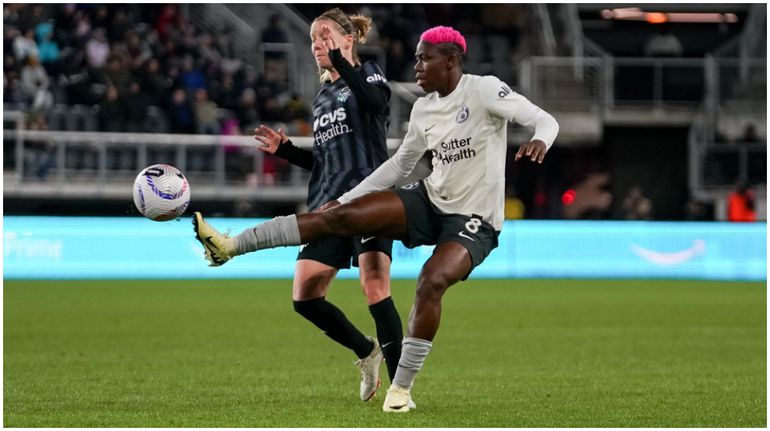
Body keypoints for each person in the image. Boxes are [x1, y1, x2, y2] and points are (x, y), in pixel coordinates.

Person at [192, 25, 559, 412]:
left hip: (474, 218)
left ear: (450, 61)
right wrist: (346, 200)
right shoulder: (423, 108)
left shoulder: (483, 89)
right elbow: (401, 165)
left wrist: (539, 140)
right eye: (416, 57)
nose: (415, 65)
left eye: (424, 58)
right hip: (431, 200)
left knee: (429, 281)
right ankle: (231, 245)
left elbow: (544, 119)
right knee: (336, 219)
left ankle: (400, 390)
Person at [250, 8, 407, 405]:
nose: (317, 45)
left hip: (369, 201)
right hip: (327, 206)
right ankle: (364, 350)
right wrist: (286, 150)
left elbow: (375, 106)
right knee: (304, 296)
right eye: (313, 40)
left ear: (347, 40)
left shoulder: (369, 73)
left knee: (375, 288)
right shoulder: (321, 98)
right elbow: (323, 159)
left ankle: (400, 389)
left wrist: (340, 63)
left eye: (324, 36)